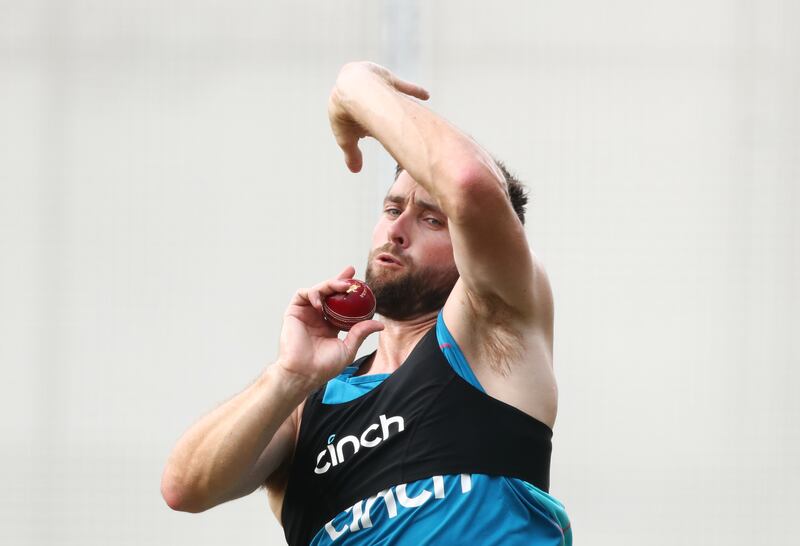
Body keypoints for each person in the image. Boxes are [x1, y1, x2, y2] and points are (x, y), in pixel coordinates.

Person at [161, 61, 572, 545]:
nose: (398, 230)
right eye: (393, 209)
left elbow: (468, 184)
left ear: (475, 249)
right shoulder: (308, 408)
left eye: (432, 220)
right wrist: (289, 377)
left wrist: (355, 88)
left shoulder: (495, 328)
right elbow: (184, 488)